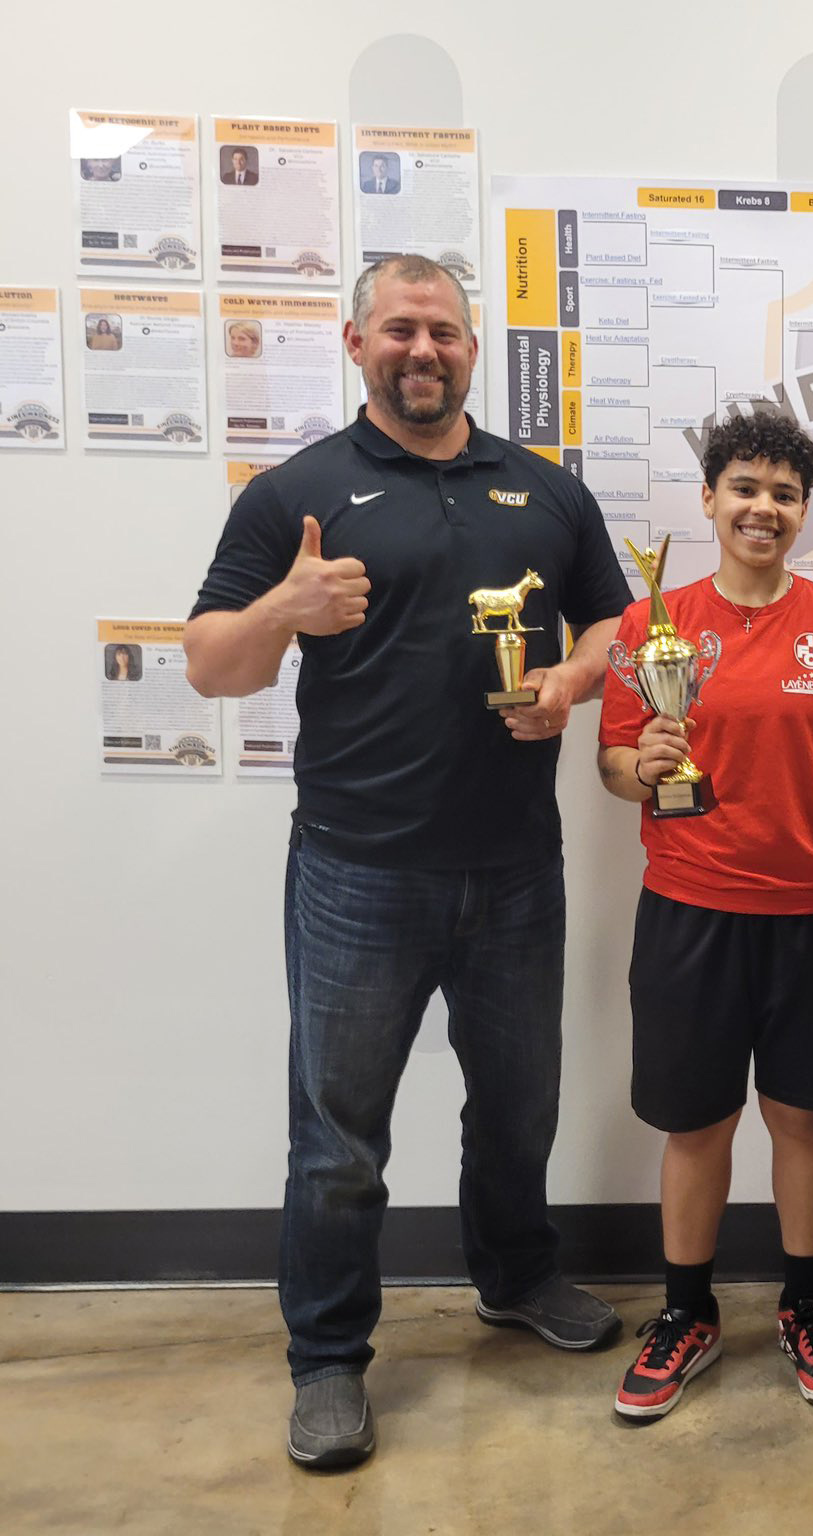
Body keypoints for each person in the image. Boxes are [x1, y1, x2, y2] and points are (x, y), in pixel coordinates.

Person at [185, 254, 632, 1472]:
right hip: (357, 875)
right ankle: (328, 1360)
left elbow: (612, 619)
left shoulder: (544, 488)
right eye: (399, 331)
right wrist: (288, 608)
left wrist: (575, 679)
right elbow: (210, 666)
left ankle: (514, 1275)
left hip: (515, 868)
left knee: (519, 1108)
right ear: (355, 342)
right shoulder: (297, 492)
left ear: (473, 349)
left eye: (442, 331)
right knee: (339, 1140)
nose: (421, 350)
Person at [599, 410, 813, 1419]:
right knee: (696, 1123)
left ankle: (806, 1306)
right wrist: (634, 767)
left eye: (782, 493)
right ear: (708, 499)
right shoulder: (654, 624)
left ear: (802, 511)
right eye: (744, 488)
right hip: (688, 905)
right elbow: (613, 759)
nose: (761, 508)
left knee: (799, 1115)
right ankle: (684, 1314)